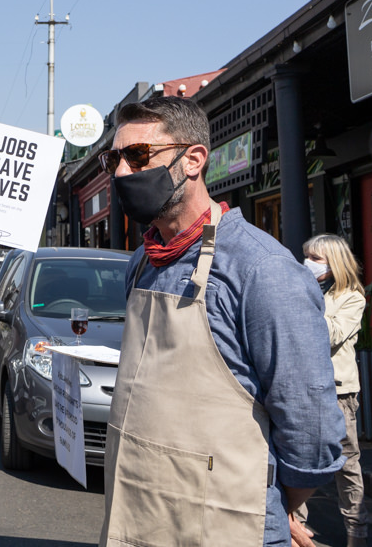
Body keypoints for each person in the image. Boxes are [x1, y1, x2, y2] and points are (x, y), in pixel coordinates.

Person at [96, 96, 345, 547]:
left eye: (137, 156)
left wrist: (269, 502)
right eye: (113, 158)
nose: (119, 173)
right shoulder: (142, 262)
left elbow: (312, 428)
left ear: (193, 160)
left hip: (225, 526)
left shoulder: (261, 269)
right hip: (134, 518)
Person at [301, 234, 368, 547]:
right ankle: (294, 528)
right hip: (302, 388)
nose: (309, 264)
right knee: (298, 458)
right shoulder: (303, 286)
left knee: (346, 465)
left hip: (338, 393)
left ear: (334, 263)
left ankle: (356, 531)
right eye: (308, 257)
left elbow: (334, 334)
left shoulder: (352, 296)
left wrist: (303, 309)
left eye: (316, 259)